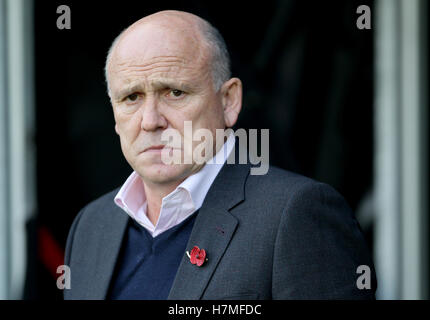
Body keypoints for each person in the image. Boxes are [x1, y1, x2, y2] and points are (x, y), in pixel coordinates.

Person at [64, 10, 376, 300]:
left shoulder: (296, 215)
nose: (150, 120)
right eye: (131, 97)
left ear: (229, 101)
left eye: (175, 93)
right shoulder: (91, 224)